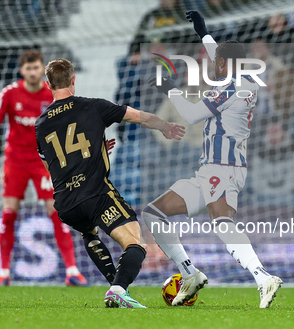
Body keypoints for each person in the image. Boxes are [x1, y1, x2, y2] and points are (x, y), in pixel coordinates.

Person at [144, 10, 283, 309]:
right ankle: (189, 273)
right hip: (209, 170)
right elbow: (223, 60)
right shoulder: (246, 81)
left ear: (222, 63)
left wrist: (171, 89)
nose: (211, 64)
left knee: (221, 222)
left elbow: (193, 115)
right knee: (154, 213)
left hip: (225, 168)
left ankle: (263, 277)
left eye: (214, 61)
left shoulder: (229, 88)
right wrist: (204, 33)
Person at [35, 58, 184, 308]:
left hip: (66, 204)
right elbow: (140, 117)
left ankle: (116, 288)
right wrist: (165, 126)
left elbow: (53, 166)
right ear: (73, 80)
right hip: (96, 194)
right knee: (135, 243)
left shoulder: (40, 124)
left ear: (47, 84)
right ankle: (118, 288)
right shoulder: (93, 106)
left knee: (88, 232)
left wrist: (95, 149)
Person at [0, 49, 86, 287]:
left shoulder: (52, 94)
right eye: (28, 68)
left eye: (36, 67)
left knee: (58, 213)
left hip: (43, 161)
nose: (32, 72)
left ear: (43, 69)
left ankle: (71, 270)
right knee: (9, 215)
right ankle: (4, 272)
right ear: (22, 71)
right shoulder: (9, 93)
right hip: (15, 160)